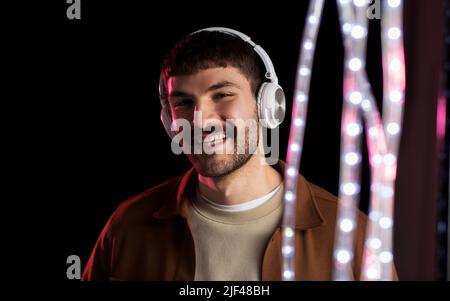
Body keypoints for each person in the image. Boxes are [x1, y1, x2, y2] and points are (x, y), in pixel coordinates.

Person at [82, 27, 373, 281]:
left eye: (222, 95)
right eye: (183, 102)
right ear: (169, 121)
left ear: (268, 106)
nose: (201, 120)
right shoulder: (127, 227)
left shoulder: (348, 235)